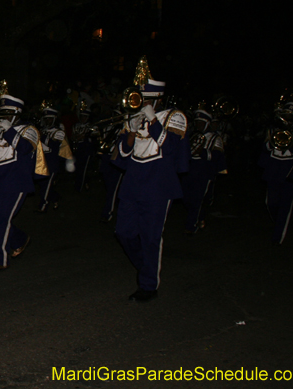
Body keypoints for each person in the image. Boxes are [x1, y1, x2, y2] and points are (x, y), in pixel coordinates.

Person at [114, 56, 189, 302]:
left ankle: (148, 285)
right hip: (133, 184)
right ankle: (146, 266)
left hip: (158, 186)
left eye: (144, 98)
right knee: (124, 233)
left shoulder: (174, 116)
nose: (138, 101)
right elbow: (122, 155)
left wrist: (153, 120)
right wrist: (132, 131)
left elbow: (169, 148)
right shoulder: (132, 117)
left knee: (150, 237)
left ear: (156, 98)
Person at [0, 93, 46, 270]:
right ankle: (20, 239)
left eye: (7, 112)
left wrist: (8, 130)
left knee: (1, 219)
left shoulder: (30, 130)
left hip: (16, 182)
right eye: (2, 112)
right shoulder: (2, 129)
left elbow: (25, 148)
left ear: (17, 112)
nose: (3, 116)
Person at [257, 95, 293, 244]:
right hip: (273, 167)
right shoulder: (273, 129)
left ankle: (278, 237)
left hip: (289, 170)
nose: (287, 118)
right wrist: (274, 141)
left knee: (286, 205)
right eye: (285, 115)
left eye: (290, 116)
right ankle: (278, 222)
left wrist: (289, 140)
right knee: (271, 203)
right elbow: (266, 147)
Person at [181, 104, 225, 235]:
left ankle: (192, 225)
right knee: (185, 197)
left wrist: (203, 152)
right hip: (190, 170)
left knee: (198, 199)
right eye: (197, 122)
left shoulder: (215, 138)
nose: (199, 125)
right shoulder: (191, 135)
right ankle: (200, 216)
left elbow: (218, 156)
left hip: (204, 172)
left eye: (202, 123)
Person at [35, 105, 74, 212]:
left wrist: (39, 140)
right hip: (41, 162)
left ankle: (43, 206)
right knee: (43, 184)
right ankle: (55, 198)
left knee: (46, 185)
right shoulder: (42, 129)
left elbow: (52, 148)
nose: (48, 121)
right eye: (46, 118)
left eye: (50, 118)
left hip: (52, 163)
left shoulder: (59, 132)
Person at [71, 104, 99, 192]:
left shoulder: (92, 127)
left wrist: (84, 136)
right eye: (82, 116)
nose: (83, 118)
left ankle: (79, 187)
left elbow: (95, 135)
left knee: (83, 168)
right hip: (77, 148)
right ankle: (83, 182)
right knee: (76, 167)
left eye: (85, 117)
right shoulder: (76, 125)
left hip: (86, 149)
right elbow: (72, 135)